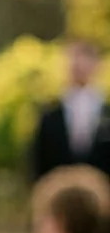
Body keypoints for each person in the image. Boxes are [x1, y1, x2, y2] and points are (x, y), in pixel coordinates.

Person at [31, 36, 110, 182]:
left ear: (97, 65)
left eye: (85, 58)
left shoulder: (107, 112)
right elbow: (39, 160)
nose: (78, 65)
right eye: (73, 58)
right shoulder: (50, 114)